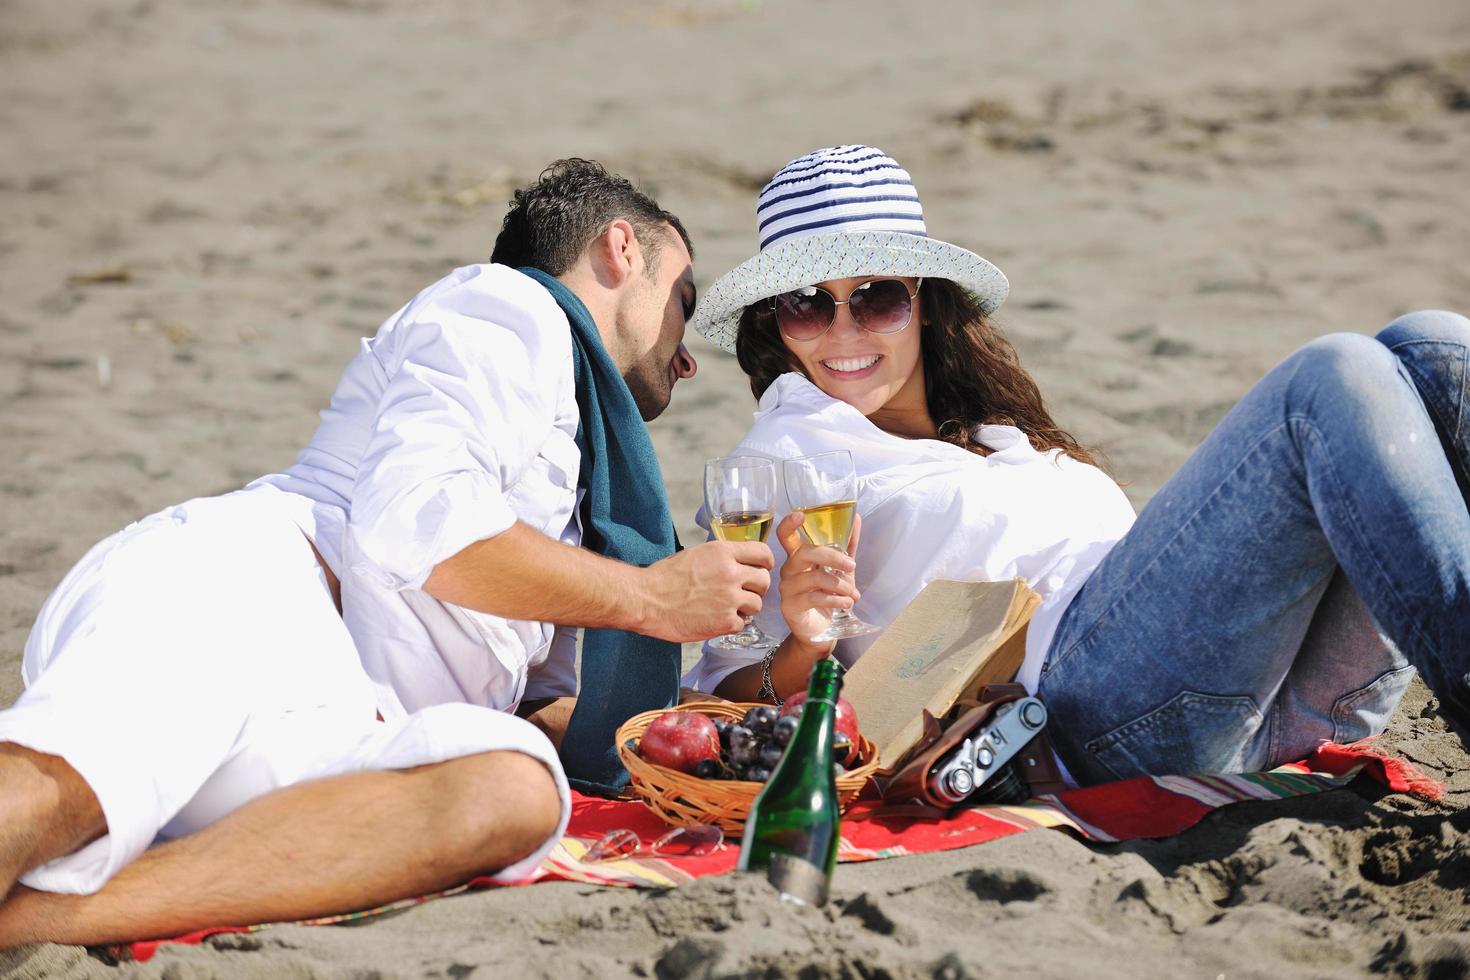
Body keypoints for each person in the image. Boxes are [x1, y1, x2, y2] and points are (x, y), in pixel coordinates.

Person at [0, 158, 773, 947]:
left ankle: (51, 915)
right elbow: (420, 525)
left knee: (515, 793)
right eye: (684, 299)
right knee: (58, 791)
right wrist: (649, 600)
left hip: (345, 721)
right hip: (259, 603)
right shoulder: (511, 308)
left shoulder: (584, 485)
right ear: (621, 250)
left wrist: (726, 730)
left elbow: (543, 706)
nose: (686, 356)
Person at [684, 144, 1470, 787]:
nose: (844, 332)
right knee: (1328, 378)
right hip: (1090, 710)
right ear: (776, 322)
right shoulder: (782, 456)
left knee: (1432, 347)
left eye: (877, 296)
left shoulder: (993, 431)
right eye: (808, 304)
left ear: (923, 299)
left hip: (1274, 701)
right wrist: (809, 645)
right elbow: (719, 697)